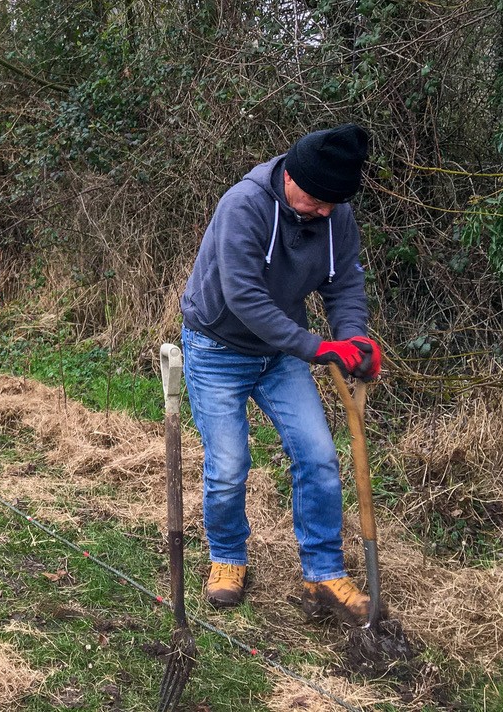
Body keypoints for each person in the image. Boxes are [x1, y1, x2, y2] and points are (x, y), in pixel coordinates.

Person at [179, 123, 383, 627]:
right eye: (316, 199)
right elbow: (244, 296)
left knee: (317, 457)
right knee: (228, 466)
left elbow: (344, 282)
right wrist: (318, 347)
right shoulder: (243, 205)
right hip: (217, 346)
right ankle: (228, 557)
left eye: (333, 203)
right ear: (291, 175)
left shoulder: (335, 213)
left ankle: (323, 573)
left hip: (282, 353)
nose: (324, 211)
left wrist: (353, 337)